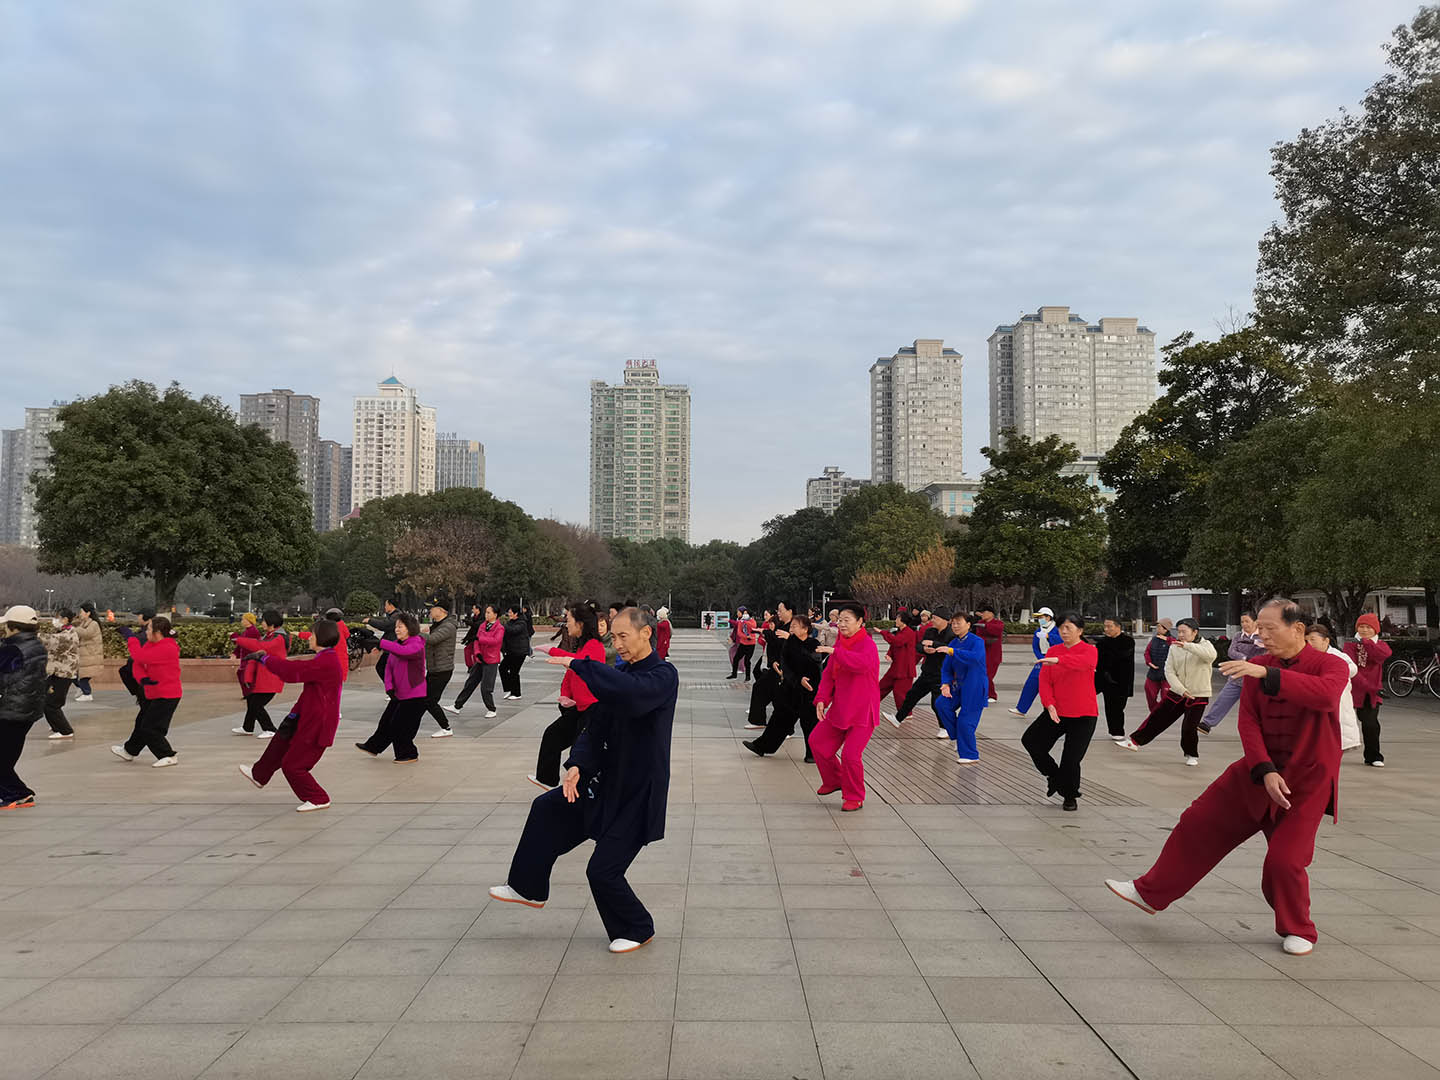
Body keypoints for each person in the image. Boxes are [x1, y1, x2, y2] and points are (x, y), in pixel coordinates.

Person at [1106, 598, 1352, 956]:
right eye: (1259, 628)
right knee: (1198, 822)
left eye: (1269, 629)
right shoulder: (1256, 664)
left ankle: (1298, 928)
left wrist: (1267, 675)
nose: (1262, 635)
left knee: (1284, 861)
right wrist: (1264, 769)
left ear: (1297, 629)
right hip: (1258, 770)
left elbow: (1326, 697)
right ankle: (1149, 893)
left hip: (1307, 778)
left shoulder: (1330, 664)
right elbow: (1248, 721)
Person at [490, 607, 679, 954]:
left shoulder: (663, 676)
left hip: (638, 793)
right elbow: (595, 728)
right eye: (614, 637)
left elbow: (632, 693)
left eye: (623, 636)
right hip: (604, 782)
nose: (617, 644)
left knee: (602, 871)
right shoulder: (620, 672)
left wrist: (578, 664)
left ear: (646, 634)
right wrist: (577, 764)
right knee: (547, 807)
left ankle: (638, 927)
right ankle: (528, 887)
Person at [238, 617, 345, 811]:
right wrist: (294, 715)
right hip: (305, 716)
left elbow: (292, 671)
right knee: (280, 742)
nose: (309, 637)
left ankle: (318, 798)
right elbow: (309, 690)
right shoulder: (323, 658)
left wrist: (265, 659)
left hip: (317, 723)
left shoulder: (327, 661)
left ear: (321, 637)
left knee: (293, 765)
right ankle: (259, 775)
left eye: (312, 634)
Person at [1022, 613, 1098, 811]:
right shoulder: (1053, 650)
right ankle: (1054, 776)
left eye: (1068, 628)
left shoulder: (1089, 650)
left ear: (1080, 631)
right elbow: (1045, 681)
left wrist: (1058, 660)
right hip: (1057, 711)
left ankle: (1070, 796)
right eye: (1061, 628)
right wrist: (1049, 704)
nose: (1063, 631)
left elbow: (1084, 663)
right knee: (1031, 741)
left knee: (1071, 759)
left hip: (1084, 714)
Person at [810, 601, 881, 812]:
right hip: (841, 709)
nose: (841, 624)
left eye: (846, 620)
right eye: (839, 620)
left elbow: (861, 664)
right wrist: (822, 699)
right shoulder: (840, 645)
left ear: (860, 622)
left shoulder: (867, 645)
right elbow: (828, 676)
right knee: (817, 742)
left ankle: (854, 796)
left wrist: (835, 652)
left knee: (850, 755)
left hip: (862, 711)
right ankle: (835, 780)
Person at [1117, 618, 1216, 765]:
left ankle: (1191, 754)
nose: (1180, 635)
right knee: (1158, 717)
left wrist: (1187, 646)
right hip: (1177, 691)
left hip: (1198, 694)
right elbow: (1169, 671)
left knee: (1189, 727)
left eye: (1184, 632)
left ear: (1195, 632)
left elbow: (1210, 656)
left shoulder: (1205, 645)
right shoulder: (1174, 647)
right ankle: (1134, 741)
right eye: (1179, 632)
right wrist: (1181, 689)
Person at [530, 604, 607, 789]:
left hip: (592, 710)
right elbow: (571, 673)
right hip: (578, 708)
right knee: (552, 735)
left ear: (580, 624)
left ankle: (583, 792)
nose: (566, 624)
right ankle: (547, 780)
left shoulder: (595, 646)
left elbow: (578, 664)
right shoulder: (583, 645)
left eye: (569, 620)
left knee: (579, 754)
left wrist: (553, 650)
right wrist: (565, 695)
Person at [743, 613, 822, 759]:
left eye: (795, 626)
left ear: (805, 629)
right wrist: (796, 678)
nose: (791, 629)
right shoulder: (789, 643)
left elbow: (814, 666)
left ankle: (813, 755)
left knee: (810, 724)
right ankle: (761, 747)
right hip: (790, 690)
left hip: (808, 692)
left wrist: (806, 681)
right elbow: (785, 664)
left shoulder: (814, 644)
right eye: (791, 626)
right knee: (779, 719)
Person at [111, 615, 182, 767]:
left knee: (151, 727)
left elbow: (140, 656)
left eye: (149, 629)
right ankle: (129, 750)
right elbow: (137, 663)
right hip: (153, 692)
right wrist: (142, 678)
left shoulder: (168, 647)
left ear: (158, 632)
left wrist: (131, 638)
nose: (146, 632)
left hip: (167, 695)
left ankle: (167, 755)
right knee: (141, 723)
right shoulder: (151, 644)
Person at [356, 613, 427, 762]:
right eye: (396, 627)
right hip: (399, 694)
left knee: (400, 726)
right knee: (386, 721)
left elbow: (405, 652)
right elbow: (388, 667)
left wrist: (380, 643)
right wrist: (389, 687)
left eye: (400, 627)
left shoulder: (417, 643)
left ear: (410, 628)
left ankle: (408, 754)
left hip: (414, 695)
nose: (397, 630)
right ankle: (374, 747)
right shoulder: (396, 644)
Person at [0, 606, 48, 808]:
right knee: (6, 756)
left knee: (3, 760)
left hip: (10, 709)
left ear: (13, 627)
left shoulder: (13, 649)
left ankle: (19, 794)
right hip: (27, 709)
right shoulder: (36, 645)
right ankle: (14, 793)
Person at [933, 610, 989, 763]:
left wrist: (952, 651)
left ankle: (970, 755)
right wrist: (945, 684)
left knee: (966, 721)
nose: (955, 626)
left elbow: (974, 658)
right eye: (953, 623)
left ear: (968, 625)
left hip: (975, 686)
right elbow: (946, 667)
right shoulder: (954, 642)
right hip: (958, 686)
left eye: (959, 623)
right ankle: (958, 737)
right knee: (942, 704)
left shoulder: (977, 641)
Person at [886, 610, 954, 735]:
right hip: (927, 671)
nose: (932, 621)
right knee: (912, 695)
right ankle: (898, 719)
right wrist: (925, 649)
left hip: (942, 674)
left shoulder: (951, 633)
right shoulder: (930, 631)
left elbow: (951, 648)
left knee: (937, 703)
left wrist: (934, 644)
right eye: (932, 618)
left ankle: (945, 728)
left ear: (944, 620)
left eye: (935, 618)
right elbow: (918, 646)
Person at [1199, 612, 1262, 733]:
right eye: (1242, 621)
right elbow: (1231, 651)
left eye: (1247, 621)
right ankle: (1207, 723)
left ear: (1256, 622)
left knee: (1255, 707)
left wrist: (1253, 659)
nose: (1244, 624)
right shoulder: (1238, 636)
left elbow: (1267, 653)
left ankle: (1260, 729)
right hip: (1237, 676)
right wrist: (1244, 658)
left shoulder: (1263, 636)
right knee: (1223, 699)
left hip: (1255, 677)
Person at [1344, 613, 1391, 767]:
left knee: (1370, 724)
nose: (1364, 630)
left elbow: (1380, 656)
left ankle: (1373, 756)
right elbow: (1351, 668)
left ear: (1376, 629)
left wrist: (1366, 643)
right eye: (1361, 627)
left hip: (1371, 693)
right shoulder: (1350, 644)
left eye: (1368, 627)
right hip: (1352, 689)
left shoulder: (1380, 645)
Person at [1306, 622, 1361, 753]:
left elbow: (1352, 669)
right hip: (1316, 704)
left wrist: (1333, 674)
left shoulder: (1338, 656)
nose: (1309, 644)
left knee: (1334, 742)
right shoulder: (1307, 657)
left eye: (1313, 640)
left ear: (1326, 641)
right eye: (1306, 641)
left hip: (1337, 704)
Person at [231, 610, 285, 737]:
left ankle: (270, 729)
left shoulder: (278, 638)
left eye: (264, 621)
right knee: (252, 701)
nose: (262, 623)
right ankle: (248, 727)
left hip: (271, 678)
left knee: (256, 705)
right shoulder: (269, 636)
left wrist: (239, 640)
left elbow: (259, 645)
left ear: (271, 623)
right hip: (263, 677)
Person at [744, 601, 794, 730]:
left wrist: (767, 634)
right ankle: (759, 720)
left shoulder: (794, 626)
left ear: (790, 611)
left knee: (780, 698)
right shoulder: (783, 626)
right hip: (775, 666)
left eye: (780, 610)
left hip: (785, 669)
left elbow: (795, 645)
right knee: (765, 691)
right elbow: (776, 642)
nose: (778, 613)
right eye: (778, 610)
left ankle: (785, 728)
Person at [1008, 607, 1062, 718]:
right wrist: (1041, 658)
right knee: (1031, 683)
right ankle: (1021, 708)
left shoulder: (1057, 629)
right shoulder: (1038, 631)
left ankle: (1057, 710)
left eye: (1041, 617)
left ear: (1048, 617)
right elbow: (1035, 647)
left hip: (1056, 660)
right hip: (1042, 660)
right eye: (1038, 617)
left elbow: (1061, 642)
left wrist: (1048, 636)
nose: (1039, 620)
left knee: (1055, 687)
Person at [452, 603, 503, 717]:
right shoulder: (482, 625)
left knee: (486, 688)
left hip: (491, 661)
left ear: (495, 615)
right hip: (480, 659)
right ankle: (457, 706)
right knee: (470, 683)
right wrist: (477, 653)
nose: (486, 614)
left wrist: (481, 638)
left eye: (489, 612)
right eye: (486, 612)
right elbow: (476, 641)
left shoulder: (500, 628)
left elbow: (496, 641)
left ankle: (491, 709)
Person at [1093, 617, 1136, 740]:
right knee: (1109, 707)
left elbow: (1119, 656)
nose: (1106, 629)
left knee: (1118, 707)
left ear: (1118, 627)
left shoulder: (1128, 641)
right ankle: (1115, 731)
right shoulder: (1102, 643)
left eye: (1109, 626)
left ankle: (1118, 731)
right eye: (1105, 626)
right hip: (1105, 679)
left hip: (1122, 681)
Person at [421, 600, 458, 738]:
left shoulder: (448, 626)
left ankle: (446, 728)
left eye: (432, 608)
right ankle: (409, 724)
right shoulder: (437, 625)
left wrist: (415, 633)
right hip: (434, 668)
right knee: (423, 699)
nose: (430, 611)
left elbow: (433, 639)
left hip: (442, 669)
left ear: (442, 611)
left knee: (429, 701)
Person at [42, 608, 79, 739]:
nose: (55, 620)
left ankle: (65, 730)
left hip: (64, 674)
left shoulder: (68, 634)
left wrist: (29, 634)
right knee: (46, 700)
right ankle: (56, 725)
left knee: (52, 704)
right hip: (56, 672)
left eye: (57, 617)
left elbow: (50, 640)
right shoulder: (63, 631)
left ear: (65, 619)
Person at [877, 611, 919, 718]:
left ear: (903, 620)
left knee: (900, 692)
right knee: (882, 686)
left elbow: (897, 642)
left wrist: (883, 632)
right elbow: (894, 645)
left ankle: (905, 714)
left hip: (905, 668)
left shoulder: (909, 632)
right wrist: (889, 654)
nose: (896, 620)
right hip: (897, 666)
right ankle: (868, 705)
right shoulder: (900, 631)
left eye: (897, 618)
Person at [1142, 618, 1174, 712]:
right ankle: (1155, 712)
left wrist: (1168, 640)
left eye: (1159, 627)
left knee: (1166, 697)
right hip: (1153, 672)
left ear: (1166, 629)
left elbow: (1178, 645)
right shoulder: (1154, 639)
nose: (1157, 628)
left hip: (1167, 674)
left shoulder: (1172, 640)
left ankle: (1164, 714)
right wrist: (1149, 662)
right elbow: (1147, 652)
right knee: (1149, 692)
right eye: (1157, 626)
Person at [975, 603, 1005, 703]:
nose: (982, 614)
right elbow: (978, 637)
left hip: (993, 655)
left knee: (988, 675)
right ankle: (983, 694)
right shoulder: (980, 623)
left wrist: (985, 626)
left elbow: (996, 631)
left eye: (984, 612)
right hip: (982, 653)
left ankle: (992, 695)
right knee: (980, 674)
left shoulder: (998, 623)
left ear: (991, 614)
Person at [499, 605, 530, 700]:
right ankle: (510, 689)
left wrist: (502, 626)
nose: (509, 614)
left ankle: (516, 693)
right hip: (511, 651)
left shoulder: (522, 623)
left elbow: (513, 630)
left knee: (514, 672)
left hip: (520, 652)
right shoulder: (510, 622)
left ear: (516, 613)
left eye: (510, 612)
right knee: (502, 668)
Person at [73, 602, 103, 700]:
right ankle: (81, 689)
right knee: (74, 674)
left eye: (81, 612)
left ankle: (87, 694)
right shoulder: (84, 623)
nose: (80, 614)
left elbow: (87, 633)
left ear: (88, 613)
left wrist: (75, 629)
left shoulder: (93, 624)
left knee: (83, 677)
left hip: (90, 655)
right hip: (85, 655)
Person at [366, 600, 399, 683]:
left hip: (393, 649)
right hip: (390, 649)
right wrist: (379, 647)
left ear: (391, 605)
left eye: (386, 605)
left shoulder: (396, 616)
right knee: (381, 668)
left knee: (382, 668)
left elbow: (384, 625)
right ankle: (392, 687)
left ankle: (393, 687)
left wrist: (370, 621)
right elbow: (388, 634)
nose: (385, 607)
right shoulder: (392, 616)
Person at [728, 607, 758, 680]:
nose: (744, 615)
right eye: (744, 614)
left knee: (747, 660)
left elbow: (753, 627)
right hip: (743, 643)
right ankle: (734, 674)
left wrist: (745, 622)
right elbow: (739, 632)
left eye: (746, 614)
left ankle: (748, 676)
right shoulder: (741, 622)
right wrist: (746, 636)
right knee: (736, 658)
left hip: (751, 644)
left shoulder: (752, 621)